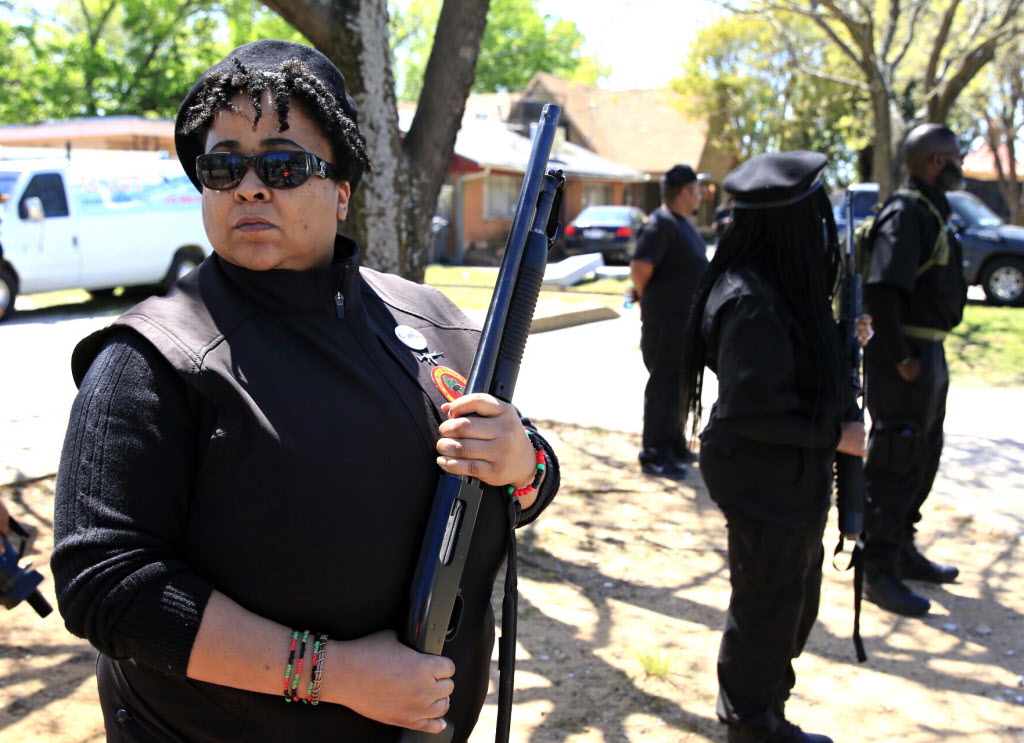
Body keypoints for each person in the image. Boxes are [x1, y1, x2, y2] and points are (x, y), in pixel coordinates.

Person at [50, 39, 560, 743]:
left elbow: (519, 489)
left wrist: (522, 464)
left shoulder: (435, 321)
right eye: (224, 166)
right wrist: (334, 672)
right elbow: (104, 582)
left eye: (284, 164)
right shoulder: (151, 355)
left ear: (342, 192)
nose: (250, 187)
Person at [681, 151, 866, 743]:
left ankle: (758, 708)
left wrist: (842, 342)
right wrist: (836, 436)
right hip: (763, 477)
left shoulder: (771, 284)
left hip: (783, 473)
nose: (823, 228)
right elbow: (751, 410)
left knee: (789, 601)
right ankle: (751, 723)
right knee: (768, 608)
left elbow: (791, 363)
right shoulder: (751, 298)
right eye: (814, 214)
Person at [860, 123, 967, 617]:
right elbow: (882, 291)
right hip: (902, 360)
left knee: (923, 456)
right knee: (895, 456)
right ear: (935, 162)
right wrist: (902, 358)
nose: (962, 162)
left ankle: (901, 548)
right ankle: (876, 569)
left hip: (928, 355)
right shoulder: (905, 213)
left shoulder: (931, 208)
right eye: (956, 155)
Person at [629, 164, 710, 479]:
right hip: (666, 324)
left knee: (680, 386)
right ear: (685, 191)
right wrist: (652, 304)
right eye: (697, 189)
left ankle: (673, 445)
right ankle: (654, 454)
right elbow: (640, 268)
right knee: (664, 387)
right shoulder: (660, 224)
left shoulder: (682, 223)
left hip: (685, 324)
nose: (701, 194)